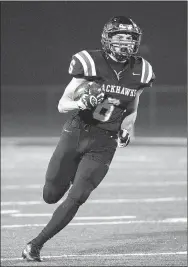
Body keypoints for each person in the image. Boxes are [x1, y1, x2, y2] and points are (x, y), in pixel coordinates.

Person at [22, 16, 155, 261]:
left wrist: (126, 128)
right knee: (50, 195)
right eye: (119, 37)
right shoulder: (90, 62)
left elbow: (133, 103)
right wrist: (80, 102)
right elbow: (62, 104)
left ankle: (35, 245)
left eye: (130, 38)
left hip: (105, 142)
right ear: (107, 39)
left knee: (78, 195)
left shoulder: (142, 69)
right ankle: (72, 170)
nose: (125, 43)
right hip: (77, 131)